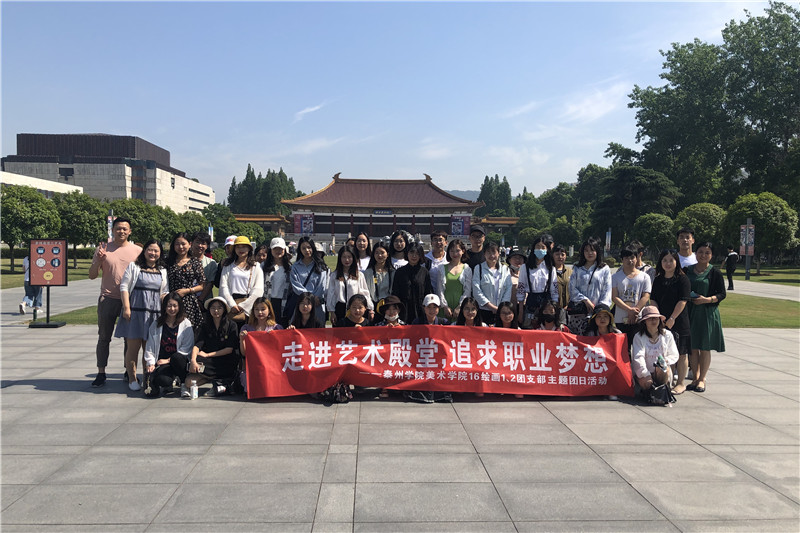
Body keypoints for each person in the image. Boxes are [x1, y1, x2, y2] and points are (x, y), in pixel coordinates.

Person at [88, 217, 142, 387]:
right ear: (112, 230)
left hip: (130, 300)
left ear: (130, 231)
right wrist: (98, 260)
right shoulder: (103, 249)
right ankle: (101, 372)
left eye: (125, 229)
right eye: (118, 228)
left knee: (130, 339)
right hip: (108, 298)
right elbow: (92, 275)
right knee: (104, 337)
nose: (121, 231)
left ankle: (129, 371)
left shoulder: (138, 251)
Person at [115, 239, 169, 390]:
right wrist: (127, 308)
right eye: (150, 250)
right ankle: (132, 378)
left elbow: (164, 291)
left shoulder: (162, 271)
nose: (153, 253)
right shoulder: (134, 266)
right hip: (135, 312)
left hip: (154, 314)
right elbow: (124, 286)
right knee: (133, 348)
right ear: (144, 251)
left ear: (160, 253)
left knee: (149, 349)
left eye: (156, 251)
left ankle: (148, 378)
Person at [178, 296, 239, 396]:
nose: (216, 311)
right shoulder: (205, 326)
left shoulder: (232, 325)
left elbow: (229, 349)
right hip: (210, 362)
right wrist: (193, 360)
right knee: (189, 382)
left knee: (207, 363)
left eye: (219, 308)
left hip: (226, 360)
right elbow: (197, 345)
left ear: (224, 309)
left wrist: (208, 355)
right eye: (213, 308)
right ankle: (215, 381)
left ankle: (219, 381)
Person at [686, 242, 726, 393]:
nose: (703, 255)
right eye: (700, 252)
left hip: (707, 313)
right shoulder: (687, 270)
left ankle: (702, 379)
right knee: (692, 347)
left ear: (711, 255)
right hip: (690, 311)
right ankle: (694, 377)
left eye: (707, 253)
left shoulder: (715, 273)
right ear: (695, 253)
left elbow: (722, 294)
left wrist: (707, 300)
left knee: (704, 347)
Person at [650, 249, 692, 394]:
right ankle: (668, 380)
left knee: (681, 353)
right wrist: (658, 316)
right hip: (662, 321)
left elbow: (683, 300)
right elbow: (653, 299)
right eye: (664, 260)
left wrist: (672, 318)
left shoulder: (683, 279)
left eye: (671, 260)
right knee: (666, 352)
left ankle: (681, 383)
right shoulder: (658, 279)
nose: (668, 263)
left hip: (679, 321)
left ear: (676, 262)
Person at [143, 291, 194, 397]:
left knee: (177, 358)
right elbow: (150, 346)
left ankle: (184, 384)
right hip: (163, 363)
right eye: (169, 306)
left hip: (179, 362)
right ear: (164, 307)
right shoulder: (157, 324)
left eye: (175, 306)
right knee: (163, 380)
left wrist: (168, 360)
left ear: (179, 307)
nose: (172, 309)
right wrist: (151, 363)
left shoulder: (185, 323)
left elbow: (187, 348)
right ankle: (168, 382)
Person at [567, 238, 612, 336]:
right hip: (579, 313)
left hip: (597, 315)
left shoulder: (604, 269)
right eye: (586, 250)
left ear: (597, 251)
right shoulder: (577, 268)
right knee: (578, 341)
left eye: (592, 250)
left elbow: (607, 290)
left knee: (595, 341)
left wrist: (599, 309)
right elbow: (572, 288)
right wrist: (585, 300)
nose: (589, 253)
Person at [631, 306, 679, 395]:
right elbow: (638, 358)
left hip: (662, 370)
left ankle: (662, 390)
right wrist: (646, 374)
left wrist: (665, 361)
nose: (653, 321)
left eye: (656, 318)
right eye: (650, 319)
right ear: (644, 321)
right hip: (644, 371)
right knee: (648, 384)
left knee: (663, 368)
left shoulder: (667, 335)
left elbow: (674, 354)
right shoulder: (638, 336)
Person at [219, 236, 265, 328]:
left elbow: (258, 289)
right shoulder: (228, 265)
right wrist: (232, 305)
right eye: (238, 247)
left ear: (249, 249)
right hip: (231, 303)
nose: (241, 249)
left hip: (249, 304)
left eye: (244, 247)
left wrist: (243, 306)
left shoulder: (256, 266)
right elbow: (223, 286)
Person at [611, 245, 652, 347]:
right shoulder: (615, 277)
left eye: (632, 257)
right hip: (620, 318)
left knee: (639, 346)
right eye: (626, 258)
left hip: (639, 318)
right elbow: (614, 297)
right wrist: (629, 310)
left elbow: (646, 296)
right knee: (623, 347)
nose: (630, 260)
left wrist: (635, 311)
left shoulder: (645, 277)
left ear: (637, 258)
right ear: (622, 260)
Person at [239, 297, 283, 393]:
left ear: (269, 311)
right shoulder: (246, 328)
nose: (260, 312)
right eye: (257, 309)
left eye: (263, 309)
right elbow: (244, 353)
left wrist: (275, 337)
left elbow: (281, 351)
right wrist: (242, 339)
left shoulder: (276, 328)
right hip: (253, 365)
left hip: (272, 366)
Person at [166, 232, 206, 330]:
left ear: (189, 244)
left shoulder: (195, 262)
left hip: (188, 302)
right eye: (177, 244)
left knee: (188, 330)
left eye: (183, 244)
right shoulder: (168, 262)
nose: (180, 247)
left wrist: (188, 290)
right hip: (171, 301)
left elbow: (202, 285)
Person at [517, 237, 559, 329]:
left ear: (547, 250)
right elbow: (521, 290)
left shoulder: (551, 268)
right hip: (531, 302)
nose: (540, 249)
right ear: (533, 249)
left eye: (543, 247)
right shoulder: (525, 267)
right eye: (538, 247)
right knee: (529, 329)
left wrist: (555, 309)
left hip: (546, 304)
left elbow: (554, 290)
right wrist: (520, 311)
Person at [327, 245, 373, 326]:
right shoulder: (334, 275)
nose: (347, 260)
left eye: (349, 257)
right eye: (344, 257)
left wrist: (370, 309)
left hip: (356, 309)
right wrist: (332, 311)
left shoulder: (359, 275)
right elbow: (331, 294)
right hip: (340, 309)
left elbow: (365, 292)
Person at [287, 236, 328, 326]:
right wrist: (309, 298)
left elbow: (322, 284)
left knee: (318, 329)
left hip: (317, 303)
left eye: (309, 247)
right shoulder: (295, 267)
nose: (307, 250)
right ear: (300, 250)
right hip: (302, 303)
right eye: (303, 248)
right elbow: (296, 285)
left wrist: (315, 298)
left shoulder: (320, 266)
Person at [391, 242, 433, 324]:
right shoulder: (400, 272)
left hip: (420, 310)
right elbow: (395, 292)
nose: (414, 256)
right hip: (404, 310)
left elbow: (428, 292)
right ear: (407, 253)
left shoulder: (424, 272)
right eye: (411, 253)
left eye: (417, 253)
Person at [472, 241, 512, 326]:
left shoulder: (505, 269)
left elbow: (508, 288)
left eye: (494, 252)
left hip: (502, 311)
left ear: (498, 253)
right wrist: (491, 307)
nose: (491, 255)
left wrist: (501, 307)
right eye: (488, 252)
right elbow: (476, 290)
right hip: (483, 310)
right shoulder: (478, 268)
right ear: (484, 254)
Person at [436, 239, 472, 320]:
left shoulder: (467, 269)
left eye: (457, 250)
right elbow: (439, 290)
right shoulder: (441, 268)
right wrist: (445, 306)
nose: (455, 254)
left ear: (463, 251)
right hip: (444, 308)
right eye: (452, 251)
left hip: (460, 308)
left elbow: (467, 291)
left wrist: (460, 307)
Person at [262, 237, 291, 324]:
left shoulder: (290, 267)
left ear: (284, 250)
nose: (278, 251)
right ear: (271, 250)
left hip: (284, 302)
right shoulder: (263, 266)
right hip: (268, 301)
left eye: (280, 249)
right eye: (275, 249)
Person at [364, 242, 395, 308]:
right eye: (377, 253)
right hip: (372, 306)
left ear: (387, 254)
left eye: (382, 253)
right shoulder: (368, 273)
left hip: (389, 306)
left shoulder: (393, 273)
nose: (379, 255)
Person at [190, 231, 217, 303]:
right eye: (197, 242)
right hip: (187, 300)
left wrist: (200, 300)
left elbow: (210, 284)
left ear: (207, 246)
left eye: (203, 243)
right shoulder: (184, 260)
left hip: (205, 302)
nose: (200, 245)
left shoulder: (211, 263)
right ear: (191, 243)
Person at [505, 247, 526, 327]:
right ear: (509, 260)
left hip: (525, 309)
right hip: (510, 309)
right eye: (515, 258)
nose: (518, 260)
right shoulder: (505, 274)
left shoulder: (527, 273)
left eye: (520, 258)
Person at [551, 244, 572, 318]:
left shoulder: (570, 272)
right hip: (553, 309)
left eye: (562, 254)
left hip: (569, 309)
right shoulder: (548, 271)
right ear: (553, 255)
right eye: (557, 254)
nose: (560, 257)